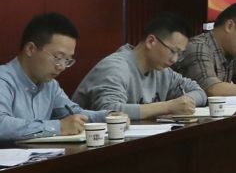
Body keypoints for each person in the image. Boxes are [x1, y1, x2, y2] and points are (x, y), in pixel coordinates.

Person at [74, 13, 207, 120]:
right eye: (173, 51)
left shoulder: (163, 71)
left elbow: (199, 92)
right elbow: (110, 111)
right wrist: (168, 107)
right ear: (151, 41)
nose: (174, 59)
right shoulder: (115, 67)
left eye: (179, 54)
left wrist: (185, 103)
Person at [0, 12, 105, 141]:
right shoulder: (3, 80)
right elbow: (1, 125)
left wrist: (109, 116)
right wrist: (58, 127)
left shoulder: (50, 85)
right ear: (30, 49)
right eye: (58, 57)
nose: (62, 67)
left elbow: (75, 114)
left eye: (67, 60)